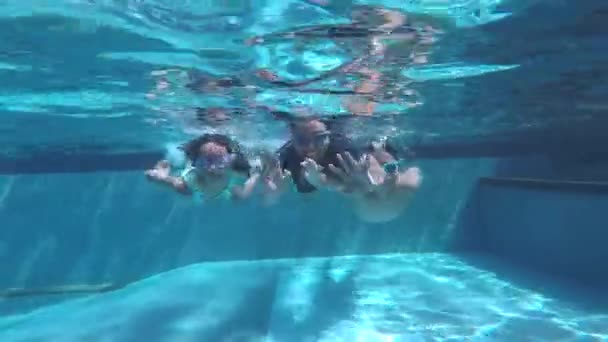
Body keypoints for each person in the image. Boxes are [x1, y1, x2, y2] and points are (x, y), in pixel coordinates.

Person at [145, 134, 261, 202]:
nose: (212, 167)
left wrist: (255, 176)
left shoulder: (235, 167)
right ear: (198, 163)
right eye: (204, 162)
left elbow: (255, 170)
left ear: (230, 159)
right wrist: (159, 177)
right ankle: (168, 166)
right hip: (200, 191)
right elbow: (174, 183)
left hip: (223, 190)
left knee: (240, 196)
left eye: (220, 160)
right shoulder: (196, 177)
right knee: (185, 191)